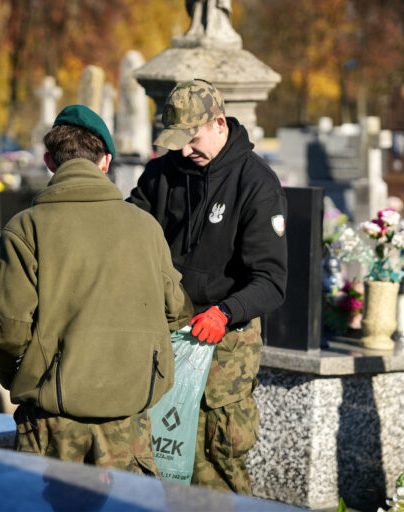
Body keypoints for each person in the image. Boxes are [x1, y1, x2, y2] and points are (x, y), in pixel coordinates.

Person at [0, 104, 193, 476]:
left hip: (52, 422)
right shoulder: (145, 226)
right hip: (130, 419)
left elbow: (5, 331)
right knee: (130, 504)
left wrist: (19, 377)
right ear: (106, 161)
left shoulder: (26, 228)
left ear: (50, 161)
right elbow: (177, 311)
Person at [127, 79, 288, 493]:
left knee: (214, 465)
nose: (184, 152)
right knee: (152, 460)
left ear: (219, 124)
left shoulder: (257, 183)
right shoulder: (162, 172)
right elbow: (129, 231)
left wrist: (225, 312)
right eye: (176, 142)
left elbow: (270, 281)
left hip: (223, 340)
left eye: (192, 139)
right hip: (164, 336)